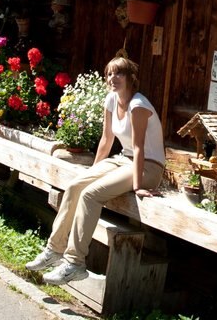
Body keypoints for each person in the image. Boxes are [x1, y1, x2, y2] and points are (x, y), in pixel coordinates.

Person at [25, 56, 165, 285]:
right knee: (75, 186)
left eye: (119, 73)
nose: (113, 78)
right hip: (123, 160)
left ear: (131, 78)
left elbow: (139, 147)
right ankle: (54, 249)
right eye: (109, 74)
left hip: (147, 166)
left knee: (91, 195)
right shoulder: (111, 100)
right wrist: (94, 171)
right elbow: (106, 140)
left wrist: (139, 186)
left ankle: (74, 263)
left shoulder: (138, 105)